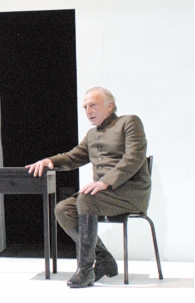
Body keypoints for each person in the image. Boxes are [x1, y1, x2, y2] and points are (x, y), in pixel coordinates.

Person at [26, 87, 150, 288]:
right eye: (85, 107)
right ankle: (104, 259)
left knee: (86, 199)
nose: (88, 110)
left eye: (93, 105)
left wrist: (106, 181)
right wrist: (50, 161)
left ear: (110, 106)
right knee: (63, 209)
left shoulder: (129, 122)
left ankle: (85, 270)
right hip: (102, 195)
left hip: (130, 193)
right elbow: (74, 156)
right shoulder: (92, 134)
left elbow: (134, 157)